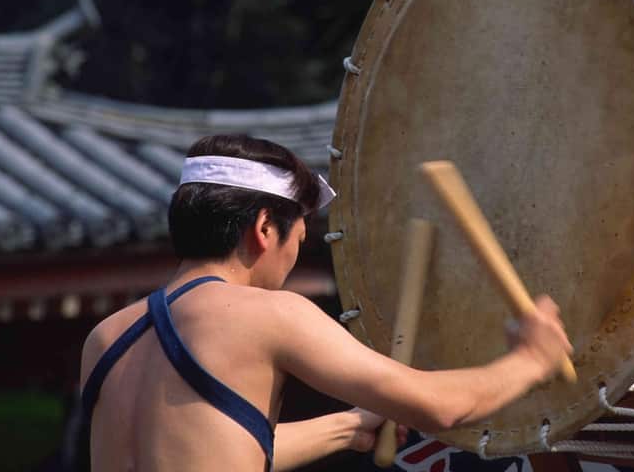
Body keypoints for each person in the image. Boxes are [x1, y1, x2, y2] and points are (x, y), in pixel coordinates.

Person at [78, 134, 573, 471]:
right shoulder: (270, 315)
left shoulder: (107, 336)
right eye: (300, 233)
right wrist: (532, 358)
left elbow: (206, 449)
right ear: (265, 227)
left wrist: (346, 427)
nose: (296, 251)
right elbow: (440, 407)